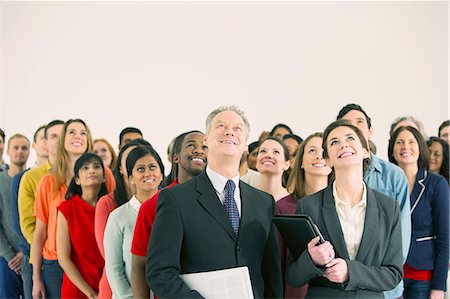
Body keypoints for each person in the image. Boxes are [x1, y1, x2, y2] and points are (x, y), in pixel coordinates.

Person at [146, 106, 282, 298]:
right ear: (206, 140)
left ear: (245, 145)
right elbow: (159, 273)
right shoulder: (176, 199)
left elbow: (271, 274)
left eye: (237, 128)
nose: (229, 131)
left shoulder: (264, 203)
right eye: (221, 126)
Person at [286, 119, 403, 298]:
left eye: (350, 138)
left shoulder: (388, 207)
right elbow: (293, 276)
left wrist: (351, 272)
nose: (343, 145)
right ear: (328, 160)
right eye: (334, 142)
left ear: (365, 151)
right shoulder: (308, 205)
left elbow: (393, 275)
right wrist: (312, 260)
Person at [32, 119, 115, 299]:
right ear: (62, 139)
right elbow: (39, 233)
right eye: (72, 132)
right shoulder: (48, 181)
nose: (78, 136)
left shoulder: (105, 173)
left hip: (100, 263)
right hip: (56, 263)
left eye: (83, 133)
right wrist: (36, 277)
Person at [337, 103, 411, 299]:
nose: (354, 127)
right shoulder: (333, 174)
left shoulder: (393, 175)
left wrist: (370, 276)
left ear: (370, 131)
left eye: (359, 122)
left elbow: (401, 239)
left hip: (385, 287)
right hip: (343, 286)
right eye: (347, 124)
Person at [130, 130, 207, 298]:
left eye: (205, 146)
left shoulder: (220, 201)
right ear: (175, 157)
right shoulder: (153, 205)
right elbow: (139, 265)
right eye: (191, 145)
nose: (199, 150)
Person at [388, 126, 449, 299]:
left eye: (411, 142)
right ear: (392, 150)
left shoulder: (436, 184)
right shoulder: (386, 183)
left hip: (422, 276)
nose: (405, 147)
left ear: (420, 148)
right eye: (399, 142)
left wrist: (439, 286)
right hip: (391, 275)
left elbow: (444, 238)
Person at [94, 138, 152, 299]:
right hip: (120, 289)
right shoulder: (112, 209)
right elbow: (112, 261)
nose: (146, 172)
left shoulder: (167, 206)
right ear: (122, 168)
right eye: (132, 160)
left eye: (151, 166)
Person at [277, 133, 331, 299]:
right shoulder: (283, 207)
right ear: (300, 161)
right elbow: (278, 262)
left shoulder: (342, 205)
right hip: (296, 292)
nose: (319, 156)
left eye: (324, 151)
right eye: (312, 151)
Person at [105, 146, 164, 299]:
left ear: (161, 174)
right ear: (130, 178)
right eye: (140, 169)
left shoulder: (173, 212)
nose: (148, 173)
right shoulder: (117, 217)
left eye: (152, 167)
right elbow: (114, 269)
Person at [56, 153, 108, 298]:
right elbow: (63, 259)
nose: (91, 170)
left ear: (104, 177)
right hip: (76, 289)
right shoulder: (67, 209)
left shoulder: (112, 208)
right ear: (77, 180)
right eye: (85, 168)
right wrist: (91, 294)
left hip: (107, 287)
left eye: (96, 167)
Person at [10, 125, 51, 299]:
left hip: (55, 255)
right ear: (35, 144)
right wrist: (35, 249)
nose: (47, 142)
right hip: (31, 253)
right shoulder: (23, 178)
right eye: (43, 137)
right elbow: (20, 222)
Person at [0, 133, 30, 298]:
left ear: (29, 151)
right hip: (6, 258)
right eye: (16, 148)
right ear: (8, 151)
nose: (20, 151)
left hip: (29, 254)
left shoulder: (33, 179)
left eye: (24, 148)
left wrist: (23, 252)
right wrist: (11, 256)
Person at [256, 137, 290, 201]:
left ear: (286, 164)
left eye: (276, 152)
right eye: (263, 151)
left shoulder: (295, 203)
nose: (268, 155)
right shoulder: (244, 197)